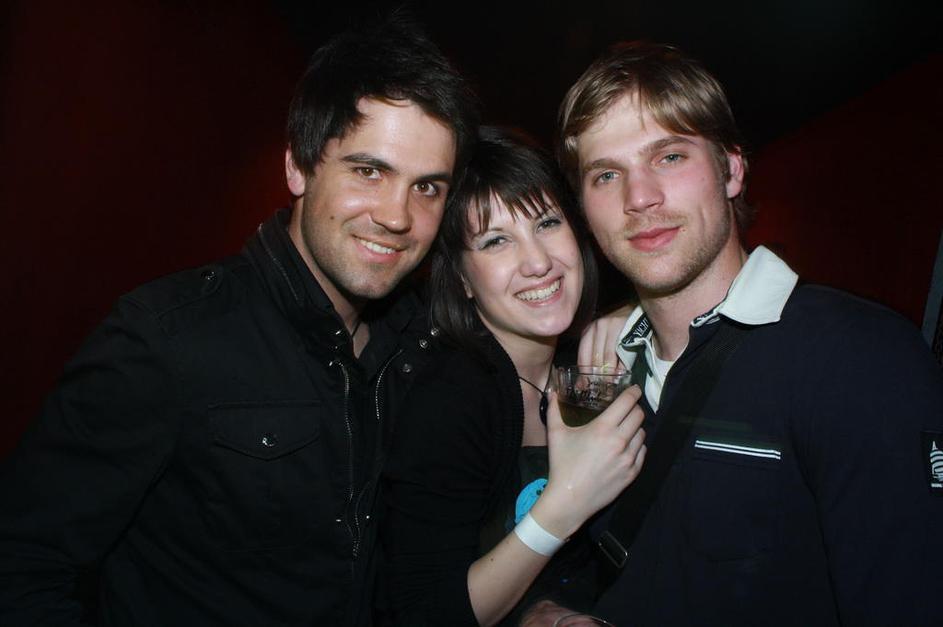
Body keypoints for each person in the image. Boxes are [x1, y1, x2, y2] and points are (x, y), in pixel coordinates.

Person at [0, 14, 478, 627]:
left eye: (427, 188)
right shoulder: (166, 338)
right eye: (369, 171)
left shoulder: (417, 344)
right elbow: (21, 568)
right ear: (298, 166)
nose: (397, 215)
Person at [525, 40, 943, 626]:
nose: (638, 197)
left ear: (732, 170)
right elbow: (613, 556)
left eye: (670, 156)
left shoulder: (862, 359)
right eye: (606, 174)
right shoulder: (600, 368)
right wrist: (548, 608)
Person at [380, 126, 647, 626]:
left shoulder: (585, 365)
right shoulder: (447, 398)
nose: (539, 262)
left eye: (547, 223)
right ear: (462, 278)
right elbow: (425, 613)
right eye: (496, 240)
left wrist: (635, 314)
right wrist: (565, 503)